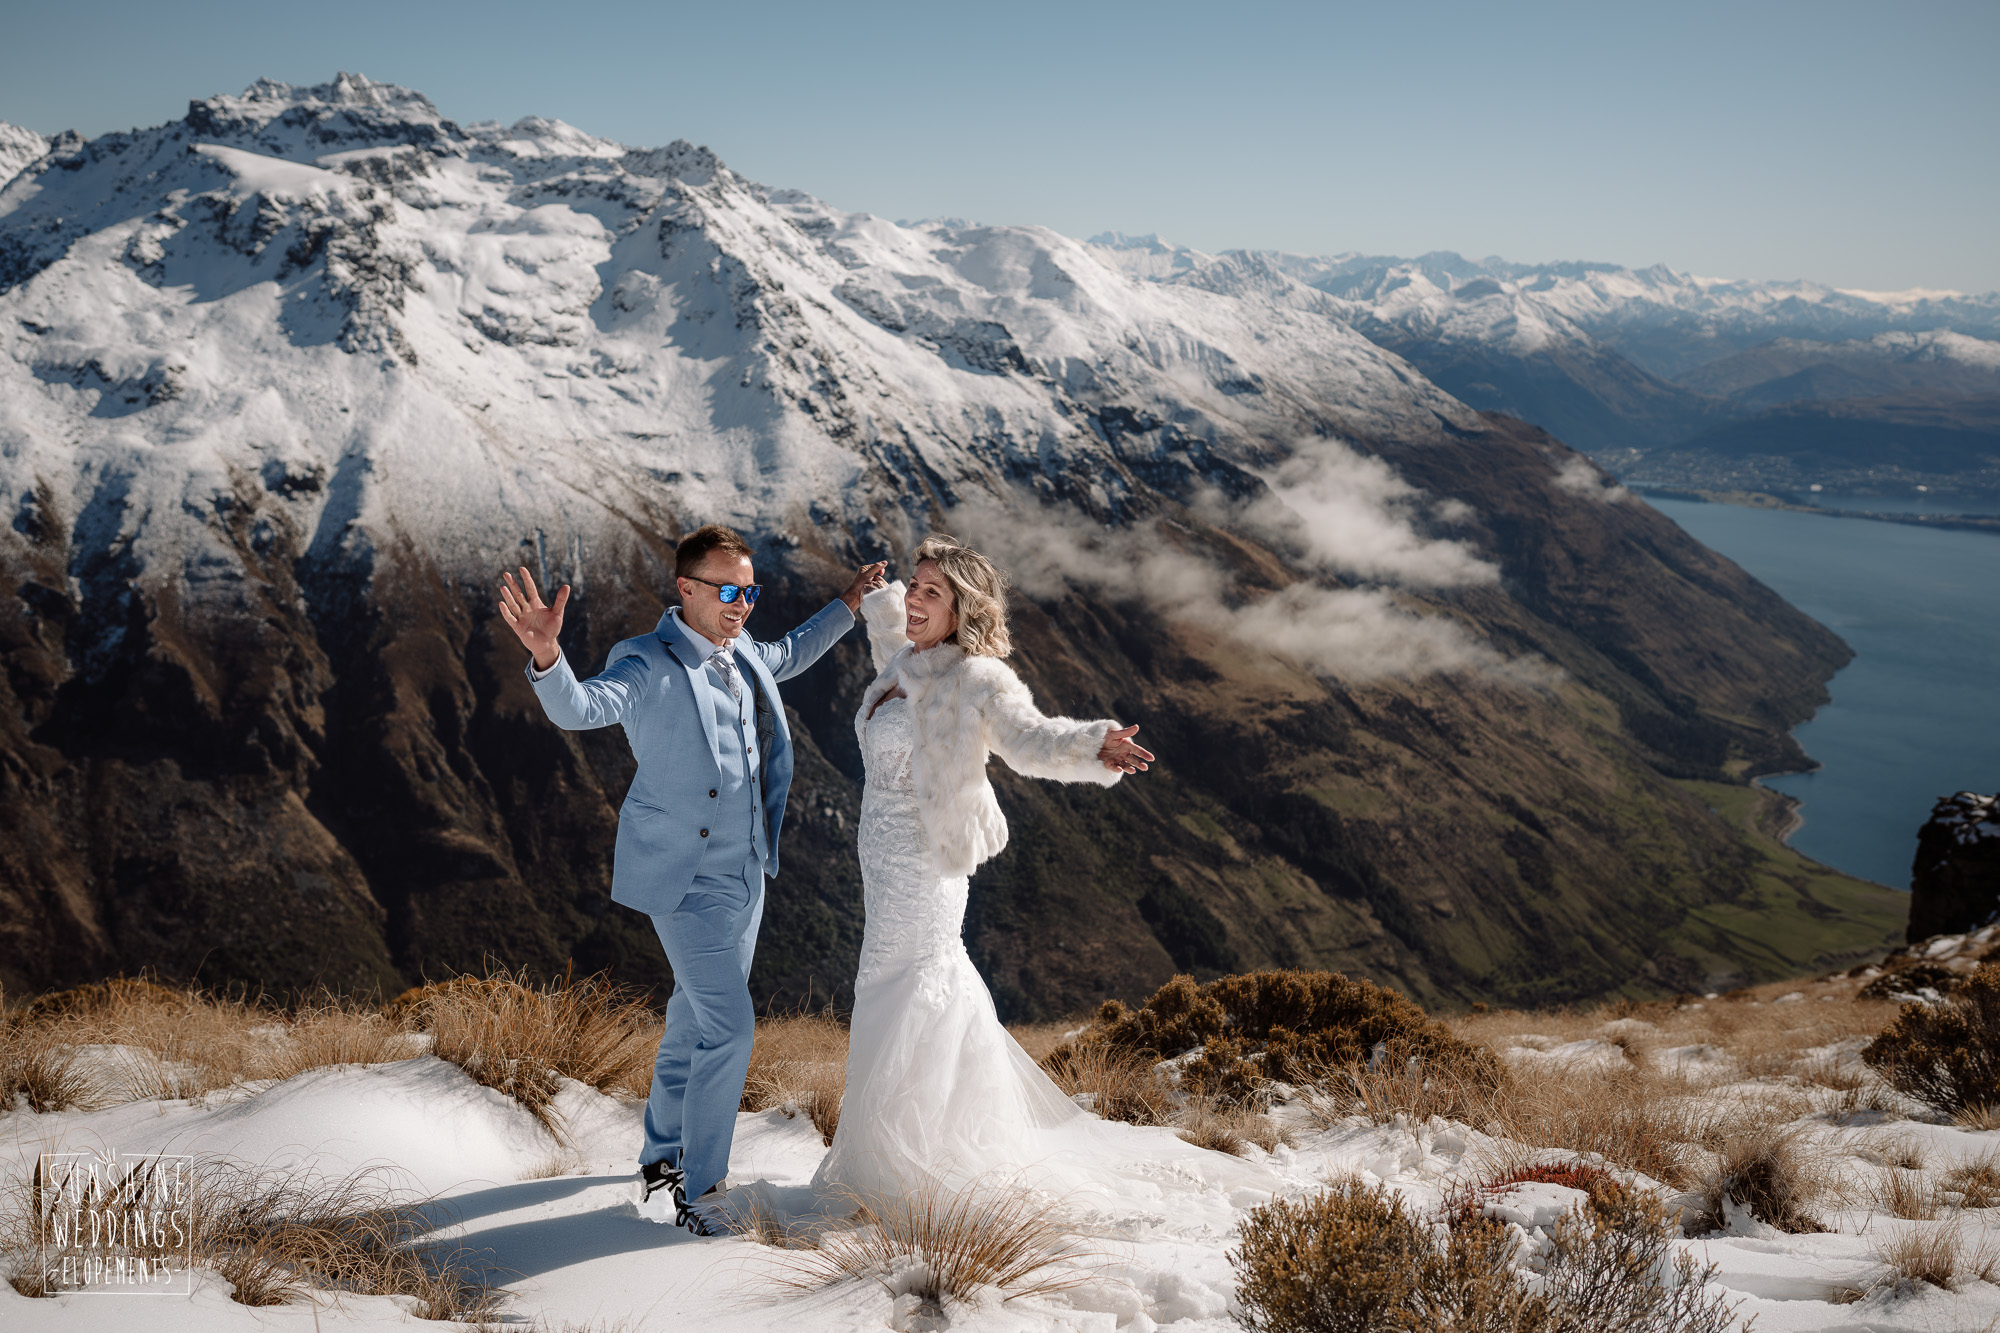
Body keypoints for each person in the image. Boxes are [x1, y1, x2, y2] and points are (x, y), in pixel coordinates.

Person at [497, 524, 886, 1235]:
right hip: (682, 883)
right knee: (731, 1027)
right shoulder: (645, 660)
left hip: (748, 876)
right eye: (728, 590)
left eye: (750, 591)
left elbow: (791, 650)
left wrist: (850, 603)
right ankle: (702, 1193)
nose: (742, 604)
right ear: (686, 588)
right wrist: (548, 655)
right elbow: (582, 708)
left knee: (691, 1015)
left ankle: (657, 1155)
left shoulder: (743, 653)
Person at [812, 533, 1177, 1201]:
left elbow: (1029, 737)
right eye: (915, 587)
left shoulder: (976, 679)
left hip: (926, 866)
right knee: (888, 987)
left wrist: (1096, 745)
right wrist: (877, 598)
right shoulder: (904, 657)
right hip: (883, 860)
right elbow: (892, 634)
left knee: (911, 988)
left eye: (933, 592)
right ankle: (902, 1151)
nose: (917, 601)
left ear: (963, 610)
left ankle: (910, 1170)